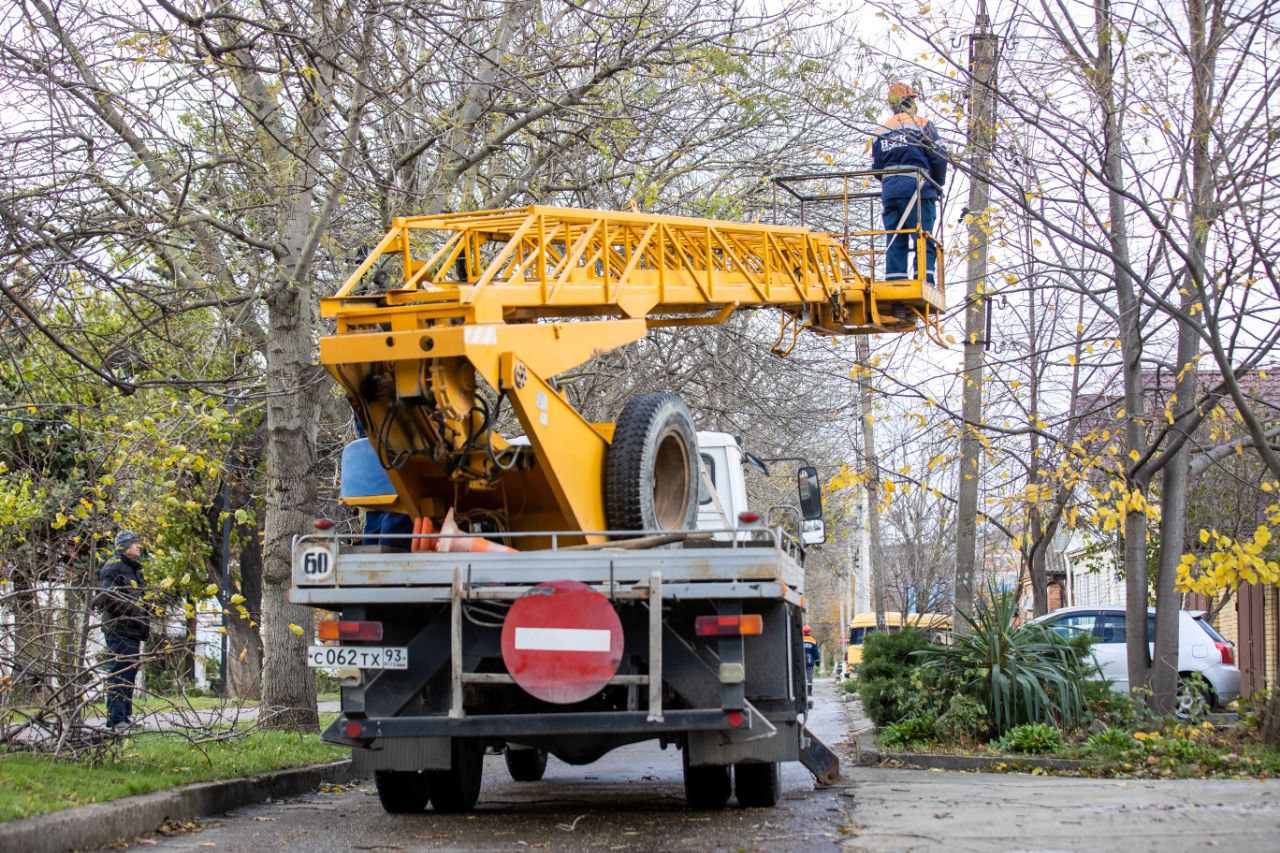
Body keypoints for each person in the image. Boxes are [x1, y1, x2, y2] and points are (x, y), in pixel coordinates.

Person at [870, 81, 948, 284]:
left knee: (895, 238)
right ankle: (924, 279)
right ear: (910, 101)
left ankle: (895, 281)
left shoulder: (882, 130)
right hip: (919, 190)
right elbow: (939, 157)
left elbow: (876, 167)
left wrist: (891, 182)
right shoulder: (921, 124)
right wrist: (937, 184)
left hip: (890, 193)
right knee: (923, 237)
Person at [95, 530, 151, 730]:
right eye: (134, 543)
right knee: (119, 671)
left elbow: (141, 599)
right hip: (118, 628)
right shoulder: (113, 568)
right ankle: (115, 719)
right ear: (124, 546)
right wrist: (134, 613)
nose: (139, 546)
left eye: (138, 543)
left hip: (133, 630)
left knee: (130, 671)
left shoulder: (135, 570)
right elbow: (108, 599)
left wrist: (145, 617)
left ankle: (125, 717)